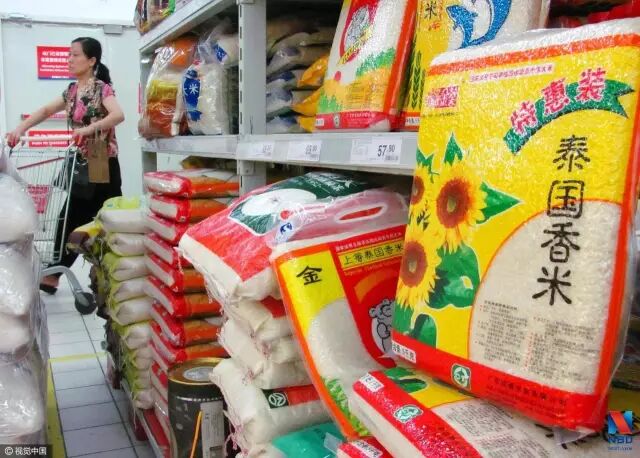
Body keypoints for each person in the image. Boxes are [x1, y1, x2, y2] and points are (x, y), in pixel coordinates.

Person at [6, 37, 125, 294]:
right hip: (81, 163)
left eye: (75, 55)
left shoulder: (102, 89)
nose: (69, 60)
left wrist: (90, 129)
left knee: (102, 218)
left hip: (102, 163)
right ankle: (58, 272)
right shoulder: (71, 91)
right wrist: (20, 128)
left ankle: (60, 273)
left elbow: (118, 115)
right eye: (69, 55)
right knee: (75, 217)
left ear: (91, 61)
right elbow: (46, 111)